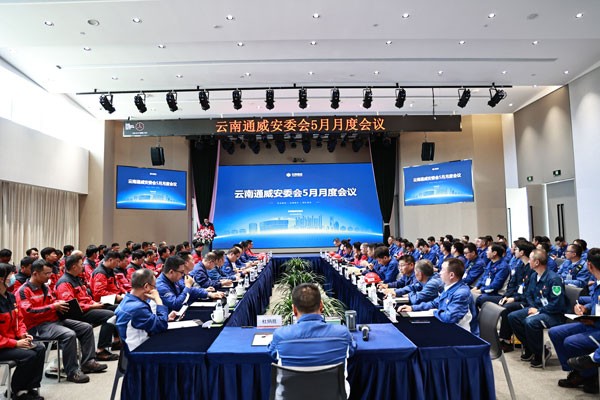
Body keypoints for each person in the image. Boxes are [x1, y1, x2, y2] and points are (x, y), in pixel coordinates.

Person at [16, 259, 107, 384]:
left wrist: (58, 303)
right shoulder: (23, 291)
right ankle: (72, 372)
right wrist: (53, 307)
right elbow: (28, 311)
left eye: (50, 273)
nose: (49, 276)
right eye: (46, 273)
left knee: (86, 328)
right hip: (37, 326)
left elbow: (53, 301)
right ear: (35, 273)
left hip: (54, 320)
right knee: (69, 334)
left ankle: (88, 362)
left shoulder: (45, 287)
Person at [548, 247, 600, 394]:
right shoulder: (597, 282)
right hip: (592, 322)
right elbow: (596, 303)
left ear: (589, 265)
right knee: (555, 333)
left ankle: (588, 375)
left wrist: (593, 321)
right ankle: (577, 371)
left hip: (597, 326)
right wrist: (586, 309)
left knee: (571, 342)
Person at [268, 283, 356, 367]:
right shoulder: (343, 333)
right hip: (333, 379)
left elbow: (272, 352)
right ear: (321, 306)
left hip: (292, 379)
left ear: (294, 309)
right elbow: (352, 350)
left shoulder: (280, 335)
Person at [508, 249, 566, 368]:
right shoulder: (534, 275)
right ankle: (530, 347)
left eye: (530, 259)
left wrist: (538, 311)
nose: (528, 261)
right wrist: (533, 307)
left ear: (537, 262)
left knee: (530, 322)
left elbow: (557, 304)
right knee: (513, 317)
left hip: (553, 314)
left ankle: (541, 353)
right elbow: (528, 294)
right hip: (537, 308)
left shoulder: (554, 279)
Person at [55, 254, 120, 361]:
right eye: (81, 264)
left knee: (116, 309)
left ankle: (116, 341)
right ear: (74, 267)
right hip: (78, 313)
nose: (83, 267)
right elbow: (71, 306)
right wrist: (92, 306)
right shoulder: (65, 282)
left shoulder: (76, 278)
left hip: (88, 307)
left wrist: (94, 303)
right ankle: (101, 350)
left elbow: (85, 297)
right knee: (110, 316)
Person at [0, 263, 45, 400]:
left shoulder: (10, 297)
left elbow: (19, 320)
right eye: (10, 274)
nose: (13, 277)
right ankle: (17, 391)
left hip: (12, 341)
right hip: (3, 346)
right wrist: (15, 343)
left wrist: (22, 334)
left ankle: (30, 387)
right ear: (1, 279)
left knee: (40, 348)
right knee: (28, 356)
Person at [399, 258, 479, 334]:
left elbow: (449, 317)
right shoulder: (449, 286)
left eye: (443, 270)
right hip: (448, 328)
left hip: (463, 335)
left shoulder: (461, 293)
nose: (440, 272)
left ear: (451, 275)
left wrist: (433, 312)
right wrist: (412, 308)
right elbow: (435, 303)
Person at [115, 269, 175, 352]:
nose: (155, 290)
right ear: (146, 286)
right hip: (139, 351)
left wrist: (165, 317)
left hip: (130, 347)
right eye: (154, 287)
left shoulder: (127, 300)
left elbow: (146, 321)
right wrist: (158, 300)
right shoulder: (138, 308)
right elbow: (161, 325)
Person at [156, 256, 224, 312]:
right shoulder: (161, 286)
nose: (183, 275)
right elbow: (175, 304)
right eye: (181, 272)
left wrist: (208, 294)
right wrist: (188, 286)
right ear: (171, 272)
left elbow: (190, 290)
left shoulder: (173, 279)